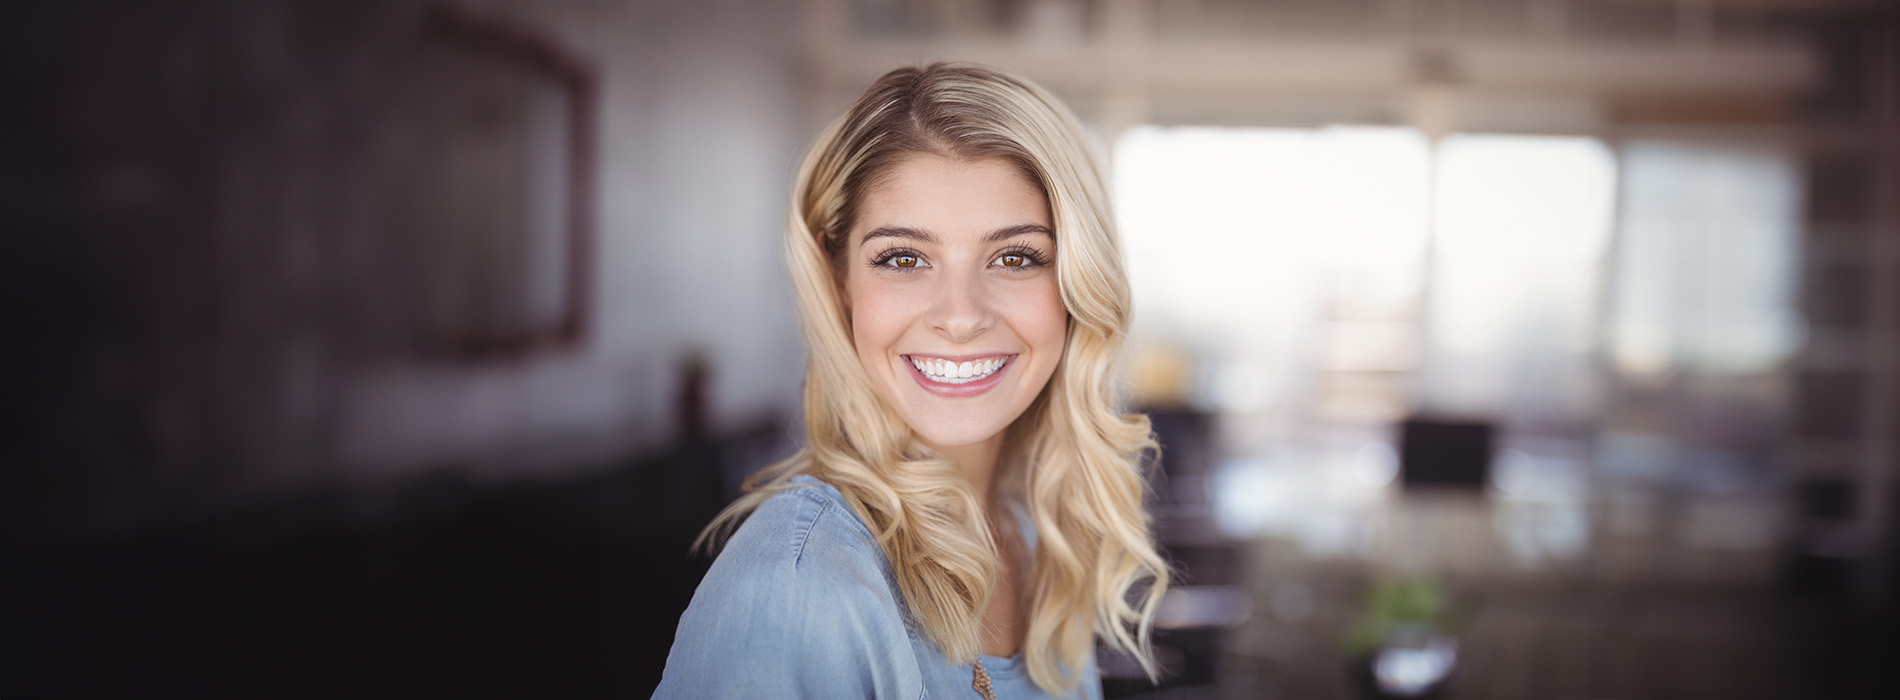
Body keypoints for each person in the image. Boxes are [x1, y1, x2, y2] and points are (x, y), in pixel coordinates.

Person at [652, 62, 1168, 700]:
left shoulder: (1033, 535)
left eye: (1015, 257)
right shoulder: (797, 587)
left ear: (1075, 284)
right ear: (841, 281)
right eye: (903, 258)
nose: (959, 315)